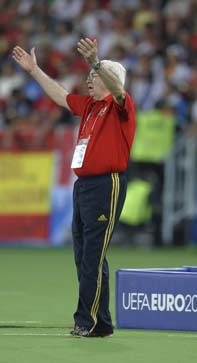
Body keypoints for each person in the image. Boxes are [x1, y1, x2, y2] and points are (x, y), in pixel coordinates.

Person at [12, 38, 136, 337]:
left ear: (110, 80)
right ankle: (101, 321)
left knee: (93, 254)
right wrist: (35, 71)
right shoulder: (91, 106)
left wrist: (96, 62)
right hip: (85, 186)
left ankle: (87, 321)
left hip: (107, 184)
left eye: (94, 76)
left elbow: (118, 91)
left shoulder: (121, 105)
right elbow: (61, 96)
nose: (89, 80)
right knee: (84, 254)